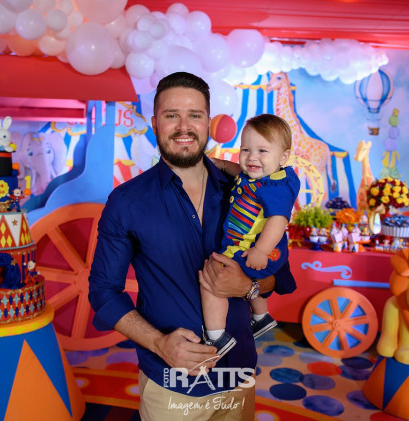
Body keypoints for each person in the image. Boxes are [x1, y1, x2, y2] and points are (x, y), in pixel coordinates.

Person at [88, 72, 296, 420]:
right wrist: (159, 343)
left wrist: (248, 287)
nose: (184, 126)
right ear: (155, 122)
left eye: (194, 115)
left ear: (208, 123)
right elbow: (103, 292)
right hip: (172, 382)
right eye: (172, 115)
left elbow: (280, 273)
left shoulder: (245, 189)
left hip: (238, 373)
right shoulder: (126, 202)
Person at [203, 114, 300, 356]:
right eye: (245, 149)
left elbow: (278, 220)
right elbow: (239, 171)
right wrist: (222, 164)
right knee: (247, 277)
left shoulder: (276, 188)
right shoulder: (261, 176)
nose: (251, 157)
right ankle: (261, 316)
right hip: (258, 248)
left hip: (254, 248)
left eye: (262, 151)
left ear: (283, 157)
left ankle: (216, 336)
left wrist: (260, 251)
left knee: (212, 281)